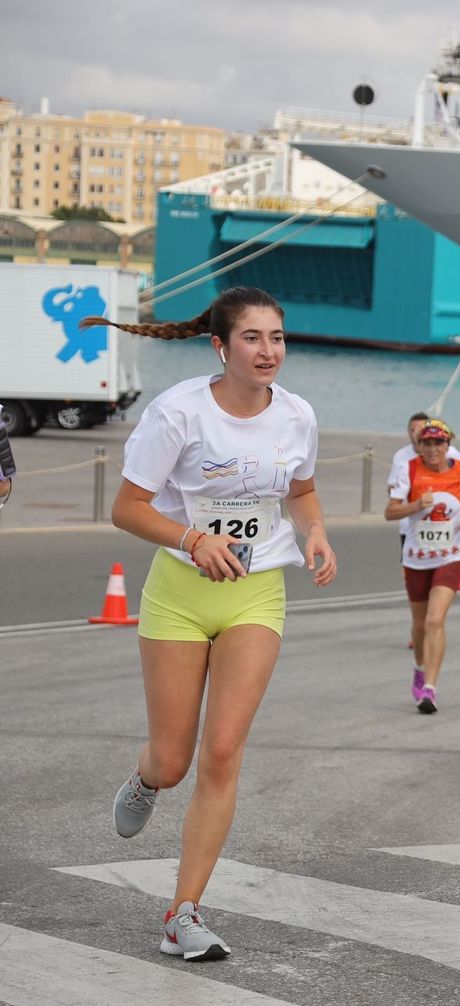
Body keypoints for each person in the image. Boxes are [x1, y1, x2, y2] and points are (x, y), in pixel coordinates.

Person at [93, 286, 337, 961]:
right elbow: (127, 508)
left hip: (256, 595)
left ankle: (184, 912)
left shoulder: (297, 415)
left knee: (223, 750)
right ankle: (146, 777)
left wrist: (316, 531)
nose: (268, 350)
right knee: (174, 759)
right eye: (252, 337)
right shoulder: (179, 412)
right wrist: (193, 540)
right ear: (220, 346)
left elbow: (302, 490)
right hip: (179, 594)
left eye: (277, 337)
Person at [385, 418, 460, 715]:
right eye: (427, 442)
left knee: (435, 619)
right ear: (419, 446)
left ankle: (430, 689)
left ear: (448, 444)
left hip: (451, 554)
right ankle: (420, 669)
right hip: (416, 556)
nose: (433, 448)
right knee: (420, 623)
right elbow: (390, 512)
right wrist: (415, 505)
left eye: (439, 442)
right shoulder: (409, 469)